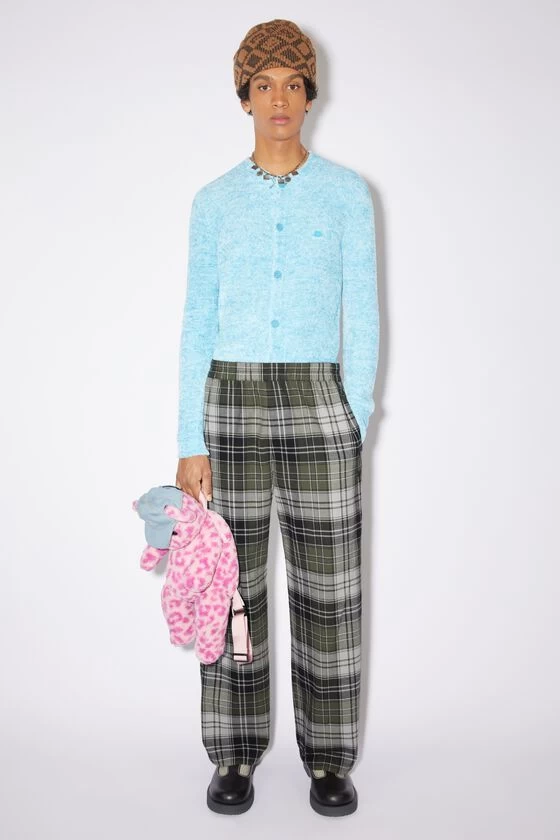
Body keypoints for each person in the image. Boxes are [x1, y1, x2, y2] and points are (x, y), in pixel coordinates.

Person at [175, 19, 379, 817]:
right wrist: (188, 438)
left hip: (320, 401)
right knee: (232, 585)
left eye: (293, 83)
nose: (279, 99)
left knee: (330, 591)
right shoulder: (214, 202)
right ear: (244, 97)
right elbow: (197, 320)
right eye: (264, 85)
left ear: (311, 94)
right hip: (229, 400)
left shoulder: (348, 195)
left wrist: (354, 414)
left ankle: (329, 759)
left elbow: (364, 313)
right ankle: (233, 753)